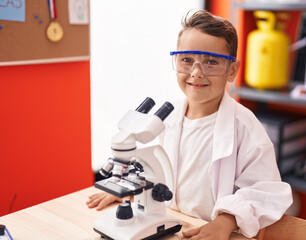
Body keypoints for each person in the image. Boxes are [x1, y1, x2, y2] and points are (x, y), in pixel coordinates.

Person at [87, 10, 293, 239]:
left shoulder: (246, 128)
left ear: (232, 70)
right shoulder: (168, 116)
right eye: (187, 60)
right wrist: (134, 191)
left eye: (211, 62)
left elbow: (268, 192)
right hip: (172, 224)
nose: (196, 73)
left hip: (211, 232)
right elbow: (154, 168)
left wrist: (225, 222)